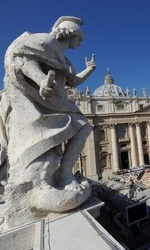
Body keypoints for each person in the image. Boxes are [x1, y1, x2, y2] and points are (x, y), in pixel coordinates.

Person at [0, 16, 96, 221]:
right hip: (38, 102)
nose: (80, 43)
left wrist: (89, 69)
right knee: (82, 125)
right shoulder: (45, 40)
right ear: (70, 33)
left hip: (53, 101)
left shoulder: (64, 58)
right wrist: (41, 80)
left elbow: (73, 81)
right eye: (79, 38)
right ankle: (61, 175)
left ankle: (63, 174)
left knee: (82, 126)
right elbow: (23, 59)